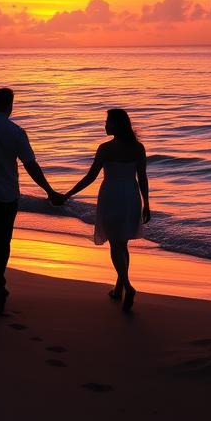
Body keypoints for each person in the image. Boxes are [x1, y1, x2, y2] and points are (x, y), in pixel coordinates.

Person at [0, 87, 63, 314]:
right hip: (7, 197)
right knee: (3, 242)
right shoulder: (16, 132)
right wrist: (49, 190)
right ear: (10, 105)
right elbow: (30, 165)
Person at [63, 108, 150, 311]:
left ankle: (127, 286)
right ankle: (119, 288)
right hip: (131, 196)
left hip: (111, 195)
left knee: (115, 244)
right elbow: (143, 178)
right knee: (123, 243)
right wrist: (147, 203)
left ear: (117, 125)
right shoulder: (138, 148)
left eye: (108, 122)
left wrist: (68, 194)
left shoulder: (105, 149)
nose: (105, 125)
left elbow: (90, 177)